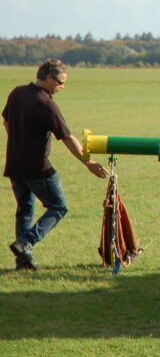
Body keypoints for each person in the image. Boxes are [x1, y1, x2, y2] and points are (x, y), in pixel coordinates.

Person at [4, 58, 107, 270]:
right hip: (37, 167)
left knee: (24, 210)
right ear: (49, 77)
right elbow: (67, 137)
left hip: (14, 164)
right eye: (60, 82)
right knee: (59, 207)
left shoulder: (17, 93)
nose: (62, 87)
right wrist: (88, 162)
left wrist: (19, 139)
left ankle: (22, 263)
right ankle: (26, 242)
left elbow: (5, 120)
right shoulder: (46, 104)